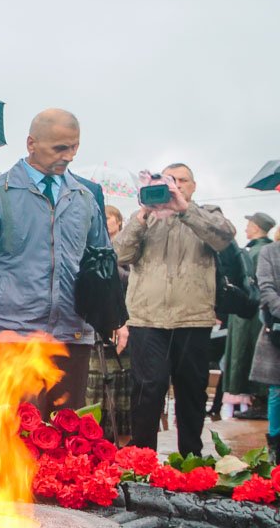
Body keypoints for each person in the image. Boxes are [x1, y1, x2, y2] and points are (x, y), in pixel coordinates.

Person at [0, 109, 112, 412]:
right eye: (59, 148)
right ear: (31, 143)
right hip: (11, 337)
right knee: (17, 440)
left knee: (68, 442)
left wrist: (109, 316)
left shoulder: (85, 197)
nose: (69, 156)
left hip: (72, 337)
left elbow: (102, 260)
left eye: (74, 146)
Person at [115, 163, 235, 457]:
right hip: (147, 318)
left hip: (192, 318)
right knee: (148, 388)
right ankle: (142, 459)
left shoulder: (207, 214)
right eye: (170, 180)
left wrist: (183, 209)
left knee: (191, 392)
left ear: (192, 186)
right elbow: (120, 253)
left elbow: (224, 237)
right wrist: (144, 213)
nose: (176, 185)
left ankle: (191, 458)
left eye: (182, 181)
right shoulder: (143, 218)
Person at [85, 204, 133, 444]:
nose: (104, 221)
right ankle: (95, 433)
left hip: (124, 320)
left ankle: (118, 436)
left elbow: (131, 281)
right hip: (97, 322)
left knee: (118, 383)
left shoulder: (127, 249)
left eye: (109, 217)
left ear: (119, 221)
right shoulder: (92, 246)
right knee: (94, 384)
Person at [225, 212, 275, 420]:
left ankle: (258, 400)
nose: (246, 229)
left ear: (256, 227)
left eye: (249, 225)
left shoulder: (257, 251)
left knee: (245, 355)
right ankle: (258, 400)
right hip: (254, 313)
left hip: (249, 316)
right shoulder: (264, 249)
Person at [249, 237, 280, 462]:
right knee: (277, 391)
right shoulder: (270, 251)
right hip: (277, 330)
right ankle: (276, 449)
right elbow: (266, 287)